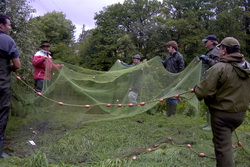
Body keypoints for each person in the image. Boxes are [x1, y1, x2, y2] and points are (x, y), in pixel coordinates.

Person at [194, 37, 250, 167]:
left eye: (220, 49)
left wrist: (196, 89)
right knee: (225, 141)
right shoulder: (248, 67)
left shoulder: (219, 68)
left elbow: (204, 91)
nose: (219, 51)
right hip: (240, 113)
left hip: (222, 115)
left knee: (222, 148)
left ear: (224, 51)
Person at [0, 13, 21, 158]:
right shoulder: (7, 40)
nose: (10, 27)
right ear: (1, 26)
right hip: (1, 85)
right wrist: (11, 69)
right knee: (1, 116)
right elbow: (17, 65)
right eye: (8, 25)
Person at [200, 35, 220, 130]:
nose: (205, 43)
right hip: (208, 78)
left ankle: (212, 125)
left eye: (206, 41)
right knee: (208, 101)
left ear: (212, 42)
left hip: (214, 79)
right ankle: (208, 123)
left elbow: (219, 64)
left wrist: (208, 60)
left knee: (212, 102)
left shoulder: (216, 50)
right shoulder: (210, 51)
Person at [162, 41, 184, 117]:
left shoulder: (179, 56)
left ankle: (172, 114)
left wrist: (178, 79)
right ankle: (168, 114)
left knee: (174, 97)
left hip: (175, 79)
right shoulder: (168, 56)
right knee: (167, 96)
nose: (168, 49)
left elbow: (181, 69)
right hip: (167, 79)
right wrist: (161, 61)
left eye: (169, 47)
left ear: (173, 47)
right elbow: (165, 65)